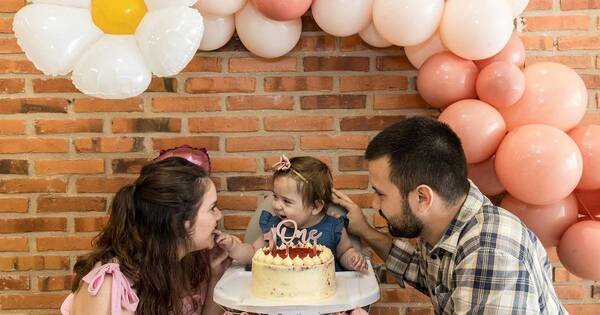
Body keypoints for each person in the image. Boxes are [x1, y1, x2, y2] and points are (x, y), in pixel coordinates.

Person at [332, 116, 567, 314]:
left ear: (423, 197)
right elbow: (426, 275)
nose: (375, 204)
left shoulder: (489, 251)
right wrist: (365, 231)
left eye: (380, 194)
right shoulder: (445, 220)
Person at [60, 157, 231, 315]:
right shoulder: (108, 286)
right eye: (212, 208)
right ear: (179, 222)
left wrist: (217, 275)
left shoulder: (183, 262)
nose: (219, 216)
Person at [215, 155, 367, 272]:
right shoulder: (274, 228)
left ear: (315, 206)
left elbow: (345, 252)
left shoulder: (334, 227)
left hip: (323, 297)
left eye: (286, 202)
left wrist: (353, 260)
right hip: (281, 294)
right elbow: (253, 253)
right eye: (275, 197)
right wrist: (234, 247)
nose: (276, 205)